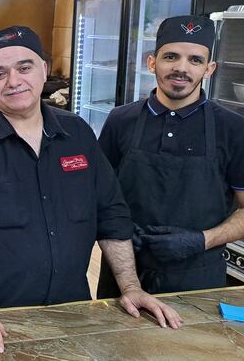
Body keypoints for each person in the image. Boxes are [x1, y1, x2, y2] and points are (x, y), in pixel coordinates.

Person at [0, 26, 181, 357]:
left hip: (72, 313)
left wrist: (130, 287)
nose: (13, 81)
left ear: (44, 69)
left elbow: (111, 214)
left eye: (24, 67)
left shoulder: (75, 132)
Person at [97, 15, 244, 297]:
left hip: (197, 276)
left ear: (209, 69)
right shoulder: (120, 120)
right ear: (152, 62)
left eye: (195, 60)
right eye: (171, 56)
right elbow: (100, 196)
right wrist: (120, 230)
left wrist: (201, 240)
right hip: (125, 271)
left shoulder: (233, 129)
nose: (181, 68)